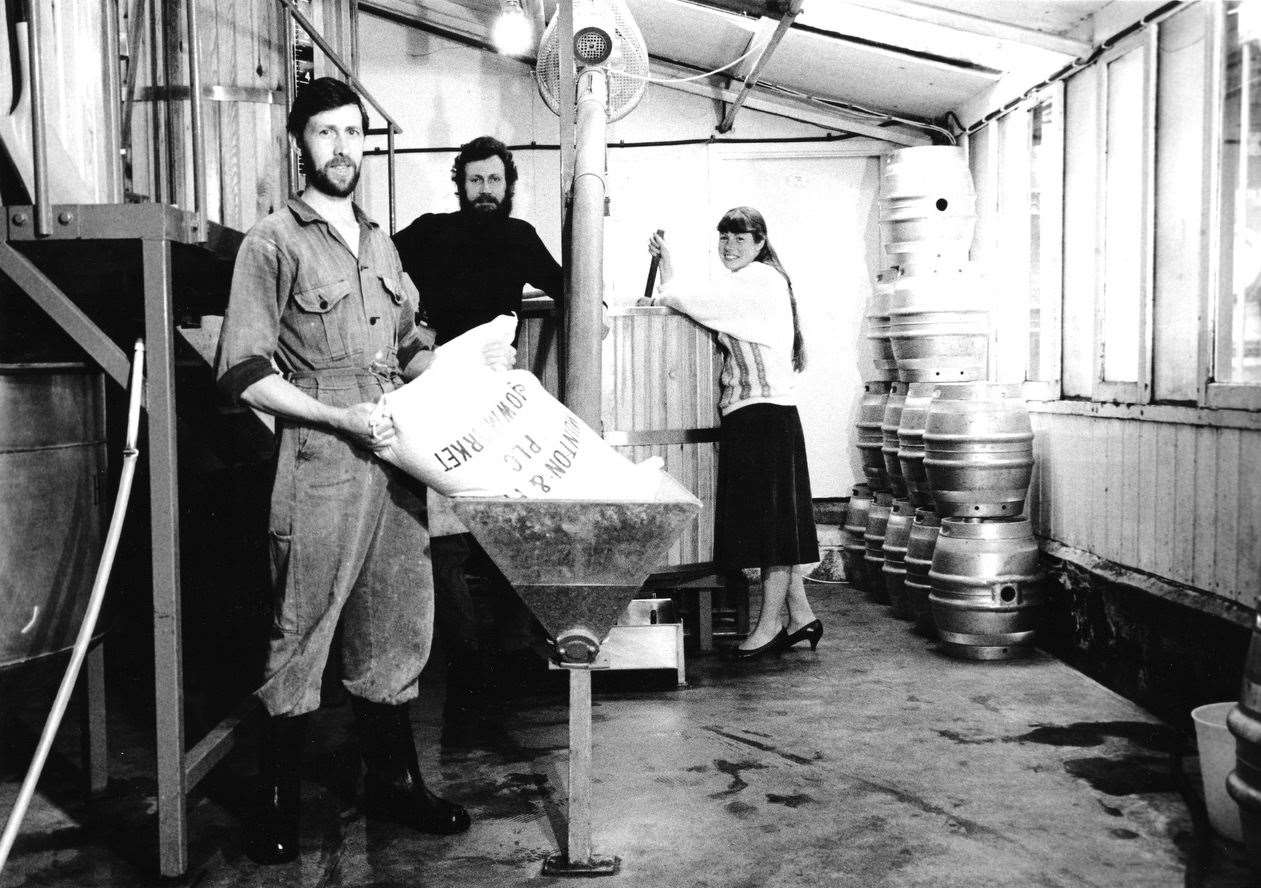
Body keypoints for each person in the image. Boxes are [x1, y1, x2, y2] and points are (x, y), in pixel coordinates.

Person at [214, 78, 513, 864]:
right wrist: (337, 417)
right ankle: (276, 800)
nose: (342, 147)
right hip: (323, 448)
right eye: (325, 134)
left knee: (397, 619)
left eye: (353, 133)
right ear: (299, 145)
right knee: (303, 619)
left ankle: (394, 782)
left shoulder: (382, 242)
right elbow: (243, 371)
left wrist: (468, 359)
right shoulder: (272, 241)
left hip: (396, 449)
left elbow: (411, 341)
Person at [393, 136, 563, 748]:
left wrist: (534, 365)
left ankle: (505, 662)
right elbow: (376, 267)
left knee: (507, 526)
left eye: (494, 180)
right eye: (475, 180)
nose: (485, 190)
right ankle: (470, 667)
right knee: (444, 539)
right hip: (437, 389)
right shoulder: (430, 231)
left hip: (494, 397)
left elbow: (569, 289)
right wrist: (411, 338)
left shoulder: (519, 237)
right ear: (459, 184)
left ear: (508, 184)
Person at [640, 207, 821, 661]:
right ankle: (800, 616)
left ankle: (769, 626)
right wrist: (670, 267)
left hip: (767, 415)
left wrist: (666, 288)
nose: (730, 246)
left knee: (775, 532)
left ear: (760, 243)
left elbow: (699, 302)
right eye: (724, 237)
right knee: (770, 522)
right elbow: (704, 299)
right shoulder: (745, 284)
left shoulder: (761, 280)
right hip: (751, 415)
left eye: (741, 238)